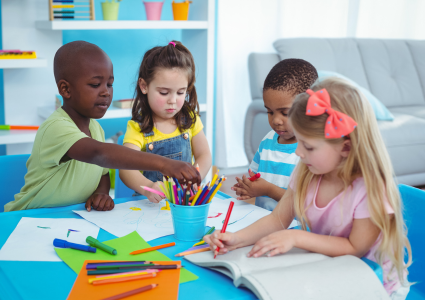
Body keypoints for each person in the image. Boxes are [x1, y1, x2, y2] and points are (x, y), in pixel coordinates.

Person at [205, 78, 412, 299]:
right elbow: (277, 220)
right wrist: (237, 238)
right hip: (328, 269)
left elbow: (355, 248)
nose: (298, 153)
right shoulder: (307, 172)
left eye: (308, 146)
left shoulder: (369, 188)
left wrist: (296, 238)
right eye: (299, 142)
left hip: (373, 282)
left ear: (346, 147)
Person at [4, 41, 200, 212]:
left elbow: (102, 172)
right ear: (65, 89)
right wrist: (165, 164)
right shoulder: (56, 127)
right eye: (95, 85)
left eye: (110, 84)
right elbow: (99, 154)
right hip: (27, 219)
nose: (106, 92)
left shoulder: (96, 129)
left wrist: (101, 193)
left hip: (71, 218)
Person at [119, 41, 211, 203]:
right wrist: (149, 187)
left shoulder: (190, 119)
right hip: (150, 205)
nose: (173, 101)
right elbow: (126, 169)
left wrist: (195, 177)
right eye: (164, 92)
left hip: (183, 203)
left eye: (181, 92)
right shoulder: (138, 128)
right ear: (144, 86)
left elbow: (204, 156)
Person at [232, 59, 318, 211]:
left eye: (285, 113)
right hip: (263, 222)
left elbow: (305, 203)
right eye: (270, 112)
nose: (276, 120)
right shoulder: (267, 141)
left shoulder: (312, 151)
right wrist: (247, 187)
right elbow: (254, 176)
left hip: (295, 230)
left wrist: (268, 190)